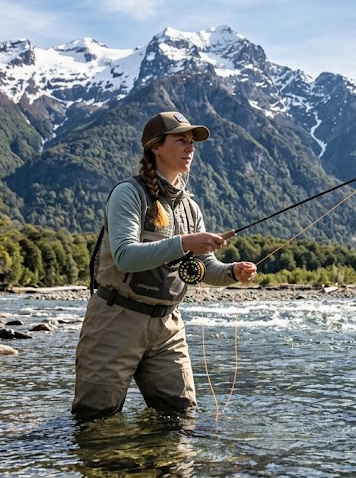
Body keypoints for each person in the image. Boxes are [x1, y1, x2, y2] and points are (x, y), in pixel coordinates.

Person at [72, 111, 257, 420]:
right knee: (96, 421)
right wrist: (184, 243)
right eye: (181, 140)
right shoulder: (128, 194)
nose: (190, 148)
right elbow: (125, 256)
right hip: (115, 320)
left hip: (168, 327)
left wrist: (231, 272)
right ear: (155, 147)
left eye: (192, 142)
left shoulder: (190, 206)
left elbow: (203, 267)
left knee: (180, 418)